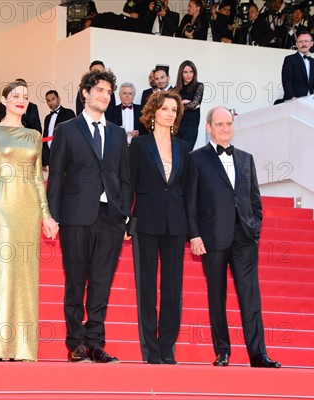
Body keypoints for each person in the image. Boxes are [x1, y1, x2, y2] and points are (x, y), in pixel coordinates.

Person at [47, 68, 132, 364]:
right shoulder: (67, 130)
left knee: (101, 282)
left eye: (109, 92)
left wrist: (124, 215)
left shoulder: (119, 134)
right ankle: (76, 342)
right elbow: (56, 175)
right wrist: (52, 216)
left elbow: (125, 178)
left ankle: (95, 342)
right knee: (75, 281)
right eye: (99, 90)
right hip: (75, 216)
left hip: (110, 217)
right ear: (85, 93)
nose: (105, 96)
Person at [186, 106, 281, 369]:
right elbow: (190, 203)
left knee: (251, 296)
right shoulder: (195, 159)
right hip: (213, 238)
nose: (225, 129)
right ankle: (223, 351)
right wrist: (194, 235)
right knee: (217, 296)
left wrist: (255, 228)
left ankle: (258, 353)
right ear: (209, 127)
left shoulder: (246, 158)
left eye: (229, 124)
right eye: (220, 124)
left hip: (244, 238)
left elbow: (255, 200)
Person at [0, 81, 58, 362]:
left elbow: (36, 177)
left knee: (28, 275)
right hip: (3, 207)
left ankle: (24, 348)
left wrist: (46, 214)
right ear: (5, 100)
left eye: (24, 97)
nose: (21, 100)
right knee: (5, 273)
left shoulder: (34, 135)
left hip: (30, 208)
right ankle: (4, 347)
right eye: (15, 96)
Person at [130, 91, 189, 365]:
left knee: (172, 288)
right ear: (153, 112)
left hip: (176, 224)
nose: (169, 113)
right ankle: (151, 350)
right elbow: (128, 184)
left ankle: (167, 347)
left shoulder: (184, 148)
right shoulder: (139, 146)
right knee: (146, 287)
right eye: (164, 108)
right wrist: (126, 220)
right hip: (145, 222)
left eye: (173, 110)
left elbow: (188, 190)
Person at [280, 31, 314, 101]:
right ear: (296, 44)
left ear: (311, 43)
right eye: (300, 42)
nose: (303, 44)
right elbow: (287, 81)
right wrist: (292, 98)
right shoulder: (290, 59)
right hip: (294, 101)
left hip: (309, 101)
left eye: (306, 41)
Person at [174, 60, 204, 151]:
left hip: (191, 125)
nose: (188, 75)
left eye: (191, 72)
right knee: (175, 153)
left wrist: (179, 104)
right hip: (177, 125)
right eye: (185, 72)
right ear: (181, 73)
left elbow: (193, 104)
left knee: (186, 152)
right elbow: (172, 107)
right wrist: (183, 103)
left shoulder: (199, 86)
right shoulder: (176, 89)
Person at [42, 89, 75, 171]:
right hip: (51, 158)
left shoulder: (68, 113)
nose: (51, 103)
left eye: (53, 99)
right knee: (53, 182)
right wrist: (44, 160)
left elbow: (73, 136)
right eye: (48, 101)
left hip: (65, 157)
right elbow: (45, 139)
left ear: (59, 99)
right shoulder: (47, 118)